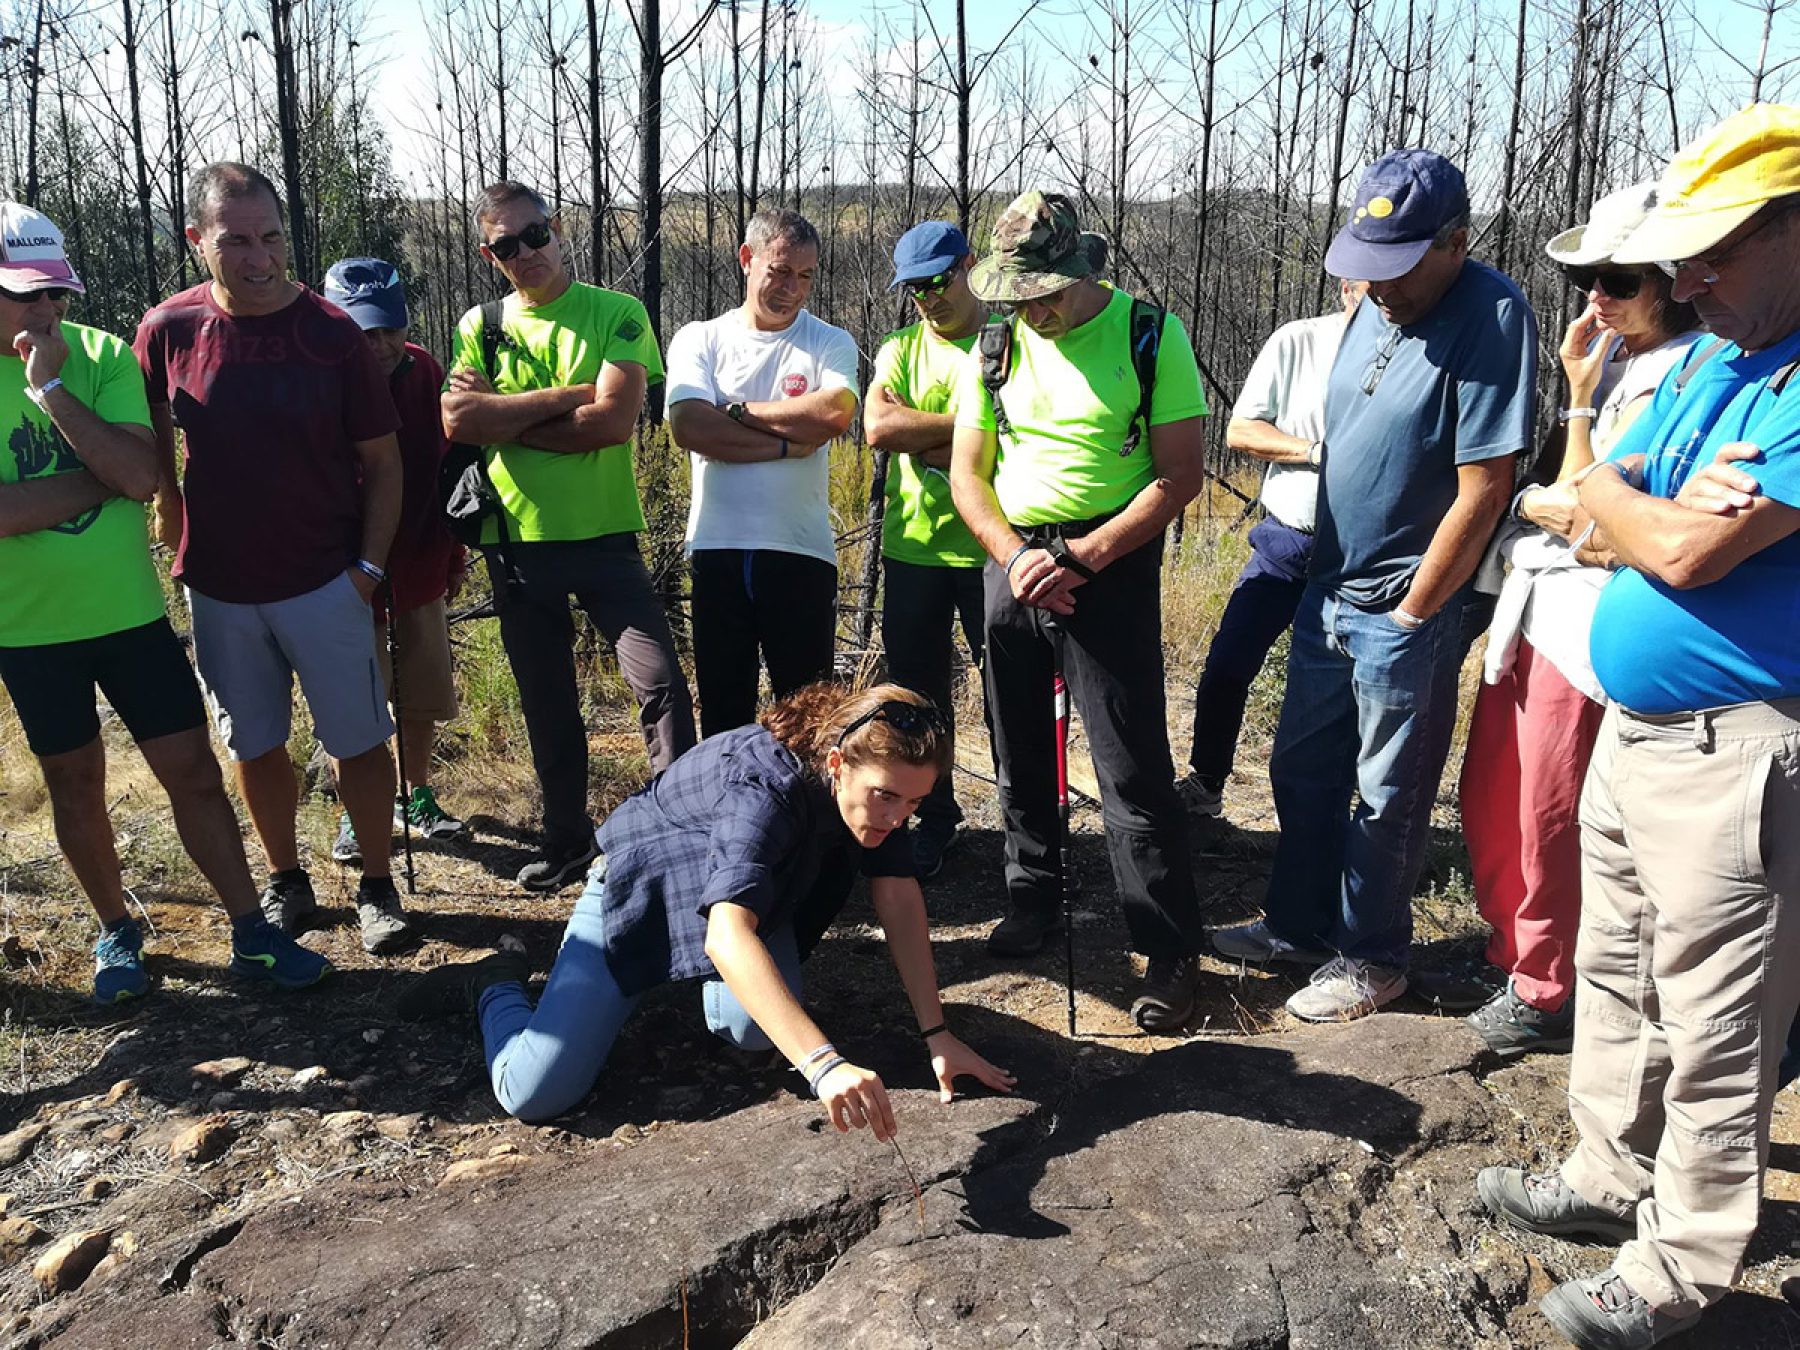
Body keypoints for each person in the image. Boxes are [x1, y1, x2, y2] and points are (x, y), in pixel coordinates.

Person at [1476, 102, 1800, 1350]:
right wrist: (1635, 497)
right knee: (1617, 972)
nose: (1688, 278)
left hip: (1742, 742)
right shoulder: (1726, 354)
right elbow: (1590, 507)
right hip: (1642, 727)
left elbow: (1672, 542)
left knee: (1718, 1017)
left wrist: (1638, 505)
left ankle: (1684, 1262)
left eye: (1717, 251)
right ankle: (1613, 1177)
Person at [1212, 149, 1534, 1022]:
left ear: (1455, 243)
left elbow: (1486, 486)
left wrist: (1416, 607)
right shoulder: (1374, 307)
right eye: (1366, 266)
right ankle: (1298, 925)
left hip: (1407, 601)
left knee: (1387, 793)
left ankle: (1373, 959)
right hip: (1331, 586)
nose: (1377, 286)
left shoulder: (1492, 315)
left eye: (1396, 268)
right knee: (1300, 768)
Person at [397, 682, 1016, 1130]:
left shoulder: (878, 797)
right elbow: (726, 937)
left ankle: (697, 991)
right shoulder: (765, 787)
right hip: (642, 884)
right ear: (835, 764)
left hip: (734, 889)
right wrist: (824, 1066)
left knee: (751, 1029)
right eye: (885, 797)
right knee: (534, 1092)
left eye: (913, 804)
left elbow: (898, 896)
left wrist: (937, 1033)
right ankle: (494, 985)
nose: (896, 816)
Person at [0, 201, 329, 998]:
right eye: (25, 294)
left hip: (130, 618)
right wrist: (98, 477)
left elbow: (143, 478)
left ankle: (250, 931)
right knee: (74, 784)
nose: (46, 311)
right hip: (28, 631)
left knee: (193, 772)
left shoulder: (101, 356)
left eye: (56, 294)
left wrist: (51, 397)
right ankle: (117, 934)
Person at [948, 190, 1210, 1033]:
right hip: (1015, 559)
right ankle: (1033, 896)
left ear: (1081, 272)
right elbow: (968, 473)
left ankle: (1168, 949)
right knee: (1018, 742)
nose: (1033, 311)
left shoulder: (1149, 334)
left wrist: (1082, 559)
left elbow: (1178, 478)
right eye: (1017, 295)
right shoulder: (991, 346)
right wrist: (1017, 556)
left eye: (1045, 293)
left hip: (1112, 559)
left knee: (1129, 764)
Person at [1447, 184, 1700, 1056]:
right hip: (1539, 607)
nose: (1597, 296)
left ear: (1675, 280)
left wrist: (1569, 462)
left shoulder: (1694, 370)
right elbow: (1565, 497)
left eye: (1620, 278)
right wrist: (1578, 407)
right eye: (1588, 276)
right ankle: (1512, 947)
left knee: (1553, 809)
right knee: (1497, 795)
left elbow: (1597, 515)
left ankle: (1549, 986)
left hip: (1594, 626)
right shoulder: (1613, 358)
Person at [138, 162, 413, 955]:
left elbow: (384, 463)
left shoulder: (331, 335)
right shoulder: (168, 330)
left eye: (271, 239)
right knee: (254, 745)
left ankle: (376, 884)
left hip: (326, 578)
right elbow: (151, 421)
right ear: (197, 241)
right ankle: (287, 878)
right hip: (220, 587)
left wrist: (366, 570)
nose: (259, 259)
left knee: (359, 740)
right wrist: (167, 500)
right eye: (236, 242)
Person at [440, 182, 695, 893]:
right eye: (507, 245)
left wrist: (507, 416)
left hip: (607, 539)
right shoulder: (481, 323)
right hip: (516, 546)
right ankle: (566, 844)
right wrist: (569, 396)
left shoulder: (617, 312)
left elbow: (614, 423)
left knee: (661, 687)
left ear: (557, 230)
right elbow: (460, 423)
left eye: (536, 234)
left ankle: (680, 841)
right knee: (547, 704)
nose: (527, 253)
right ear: (489, 254)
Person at [665, 210, 859, 737]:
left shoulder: (829, 342)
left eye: (806, 276)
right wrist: (783, 445)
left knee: (808, 718)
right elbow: (688, 425)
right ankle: (732, 818)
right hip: (718, 551)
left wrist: (731, 410)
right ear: (747, 260)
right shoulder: (700, 338)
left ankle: (812, 821)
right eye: (779, 271)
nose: (792, 289)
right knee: (725, 713)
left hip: (800, 551)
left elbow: (833, 415)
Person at [1178, 279, 1366, 821]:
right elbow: (1240, 431)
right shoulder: (1298, 341)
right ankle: (1207, 783)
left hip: (1361, 558)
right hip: (1286, 543)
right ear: (1343, 288)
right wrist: (1315, 452)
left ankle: (1344, 810)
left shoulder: (1412, 351)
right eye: (1362, 287)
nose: (1374, 299)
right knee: (1227, 666)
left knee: (1343, 687)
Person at [322, 257, 471, 865]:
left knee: (420, 693)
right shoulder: (320, 379)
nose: (378, 344)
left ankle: (417, 795)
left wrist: (454, 549)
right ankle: (359, 815)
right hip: (344, 573)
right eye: (363, 332)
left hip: (419, 562)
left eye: (387, 328)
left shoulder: (426, 370)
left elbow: (445, 469)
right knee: (353, 702)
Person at [864, 222, 992, 877]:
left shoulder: (1009, 342)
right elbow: (880, 427)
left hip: (994, 549)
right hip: (913, 550)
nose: (929, 298)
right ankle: (934, 820)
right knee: (917, 702)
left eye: (939, 281)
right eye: (915, 289)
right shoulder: (899, 349)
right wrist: (977, 431)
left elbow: (1025, 435)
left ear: (970, 265)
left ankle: (1031, 834)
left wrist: (932, 435)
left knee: (1009, 698)